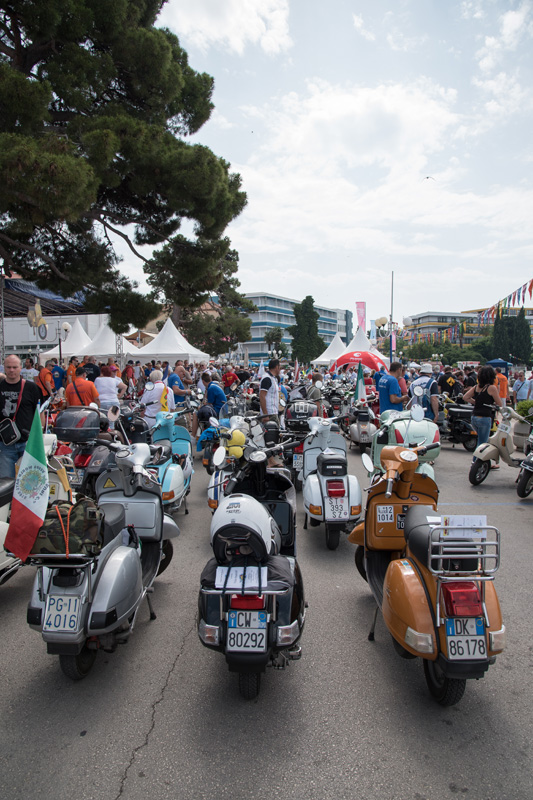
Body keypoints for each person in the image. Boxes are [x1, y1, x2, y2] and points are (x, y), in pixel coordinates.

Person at [0, 355, 42, 479]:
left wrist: (39, 436)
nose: (11, 370)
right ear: (4, 368)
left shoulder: (31, 387)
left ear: (20, 368)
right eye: (8, 367)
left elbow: (39, 413)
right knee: (6, 482)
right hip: (5, 443)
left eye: (14, 367)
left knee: (30, 481)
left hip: (27, 441)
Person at [463, 365, 502, 451]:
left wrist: (476, 402)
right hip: (484, 417)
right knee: (482, 444)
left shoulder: (476, 387)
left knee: (479, 441)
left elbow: (465, 397)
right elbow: (500, 403)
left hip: (474, 417)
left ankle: (477, 462)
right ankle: (476, 462)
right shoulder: (491, 388)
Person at [191, 372, 227, 439]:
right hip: (222, 408)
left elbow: (209, 403)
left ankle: (193, 436)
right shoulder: (213, 385)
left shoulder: (211, 388)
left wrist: (200, 407)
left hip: (217, 410)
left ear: (203, 381)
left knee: (195, 414)